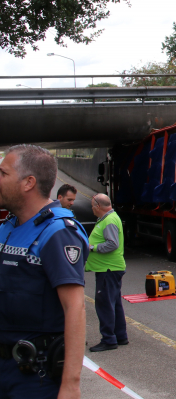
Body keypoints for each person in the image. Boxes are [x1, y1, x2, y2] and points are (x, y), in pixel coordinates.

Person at [0, 144, 89, 399]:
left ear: (28, 182)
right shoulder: (9, 227)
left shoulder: (57, 232)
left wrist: (71, 385)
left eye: (3, 173)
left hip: (33, 377)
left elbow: (75, 307)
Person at [86, 193, 128, 352]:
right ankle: (120, 336)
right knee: (114, 303)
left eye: (92, 206)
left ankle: (109, 339)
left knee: (104, 304)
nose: (92, 209)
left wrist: (92, 248)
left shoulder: (109, 221)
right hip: (110, 268)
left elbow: (112, 244)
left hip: (108, 269)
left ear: (98, 206)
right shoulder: (110, 218)